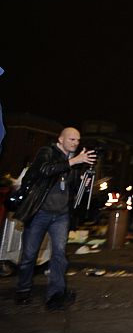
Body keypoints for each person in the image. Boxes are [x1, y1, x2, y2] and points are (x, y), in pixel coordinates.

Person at [14, 127, 96, 310]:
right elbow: (44, 170)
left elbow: (72, 187)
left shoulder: (74, 161)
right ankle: (23, 289)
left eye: (78, 140)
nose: (75, 143)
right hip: (40, 212)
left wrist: (83, 183)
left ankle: (55, 294)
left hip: (61, 215)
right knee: (29, 254)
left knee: (59, 254)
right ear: (60, 139)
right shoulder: (47, 152)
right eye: (72, 139)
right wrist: (74, 161)